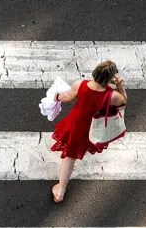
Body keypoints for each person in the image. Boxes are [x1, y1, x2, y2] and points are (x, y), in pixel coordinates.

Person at [49, 60, 127, 203]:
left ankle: (60, 190)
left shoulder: (80, 85)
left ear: (95, 72)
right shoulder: (112, 96)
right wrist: (120, 86)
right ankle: (61, 190)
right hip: (91, 128)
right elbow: (123, 101)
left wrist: (57, 96)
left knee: (69, 156)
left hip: (75, 123)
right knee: (72, 154)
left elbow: (67, 97)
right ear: (110, 78)